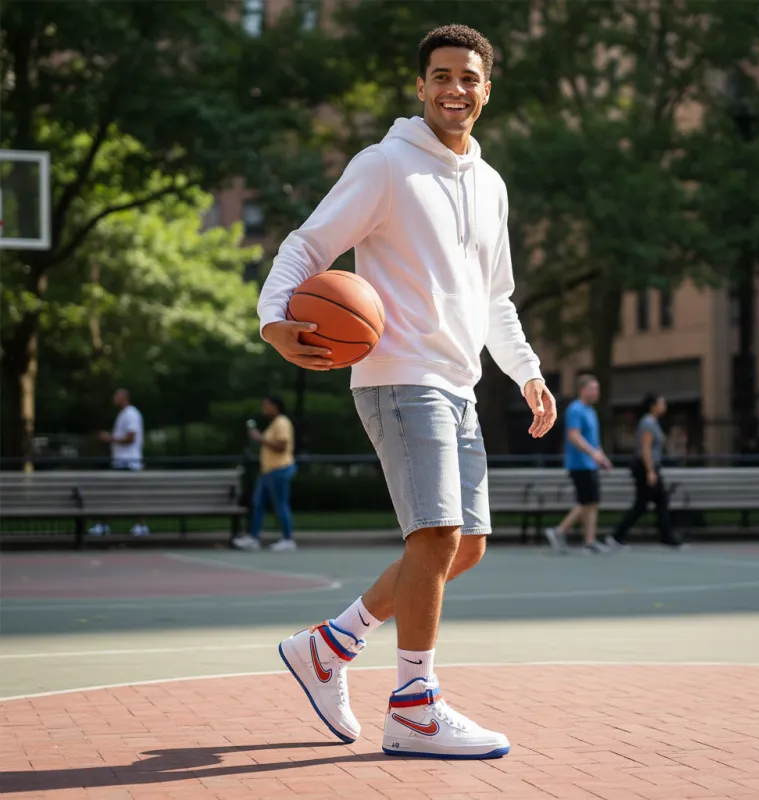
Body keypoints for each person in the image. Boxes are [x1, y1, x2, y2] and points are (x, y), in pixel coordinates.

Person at [255, 25, 557, 759]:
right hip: (399, 376)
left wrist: (527, 371)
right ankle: (415, 705)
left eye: (469, 77)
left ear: (487, 90)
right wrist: (272, 318)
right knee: (436, 536)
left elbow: (495, 298)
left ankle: (330, 645)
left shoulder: (491, 185)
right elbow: (306, 244)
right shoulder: (385, 165)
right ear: (420, 86)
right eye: (441, 76)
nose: (456, 88)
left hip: (459, 383)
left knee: (467, 547)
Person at [545, 374, 612, 555]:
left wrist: (602, 457)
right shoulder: (575, 409)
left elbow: (593, 440)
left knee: (592, 502)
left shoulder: (591, 411)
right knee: (586, 501)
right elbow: (573, 436)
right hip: (579, 464)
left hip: (591, 464)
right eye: (592, 389)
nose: (596, 392)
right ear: (582, 390)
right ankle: (559, 531)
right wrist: (592, 454)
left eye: (597, 389)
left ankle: (589, 541)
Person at [607, 392, 682, 549]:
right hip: (645, 467)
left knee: (660, 501)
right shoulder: (648, 423)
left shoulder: (653, 422)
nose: (664, 406)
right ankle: (617, 535)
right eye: (661, 403)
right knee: (642, 504)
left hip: (651, 466)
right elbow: (645, 449)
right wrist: (650, 471)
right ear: (653, 406)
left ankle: (666, 536)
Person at [232, 395, 298, 552]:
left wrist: (259, 438)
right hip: (267, 471)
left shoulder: (282, 422)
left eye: (266, 405)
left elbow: (281, 446)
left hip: (279, 469)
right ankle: (253, 538)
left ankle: (288, 539)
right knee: (258, 503)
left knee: (281, 504)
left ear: (275, 406)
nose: (264, 408)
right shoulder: (274, 424)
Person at [89, 388, 148, 536]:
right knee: (121, 495)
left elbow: (131, 438)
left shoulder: (130, 414)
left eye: (116, 396)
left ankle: (106, 525)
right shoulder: (124, 414)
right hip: (123, 462)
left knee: (117, 495)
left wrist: (109, 439)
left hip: (128, 462)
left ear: (124, 397)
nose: (114, 399)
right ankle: (138, 525)